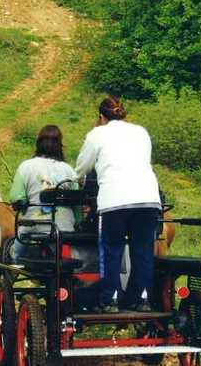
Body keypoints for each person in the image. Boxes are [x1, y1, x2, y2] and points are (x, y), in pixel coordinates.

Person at [75, 95, 162, 313]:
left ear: (101, 116)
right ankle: (141, 299)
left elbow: (82, 167)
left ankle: (110, 299)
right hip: (148, 198)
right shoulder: (141, 132)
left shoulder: (97, 134)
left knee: (111, 250)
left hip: (115, 200)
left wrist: (77, 178)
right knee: (142, 252)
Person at [10, 125, 77, 259]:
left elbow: (16, 198)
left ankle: (13, 265)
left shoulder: (26, 166)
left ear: (38, 144)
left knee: (14, 255)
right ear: (59, 145)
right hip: (64, 227)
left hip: (33, 226)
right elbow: (76, 202)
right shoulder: (69, 170)